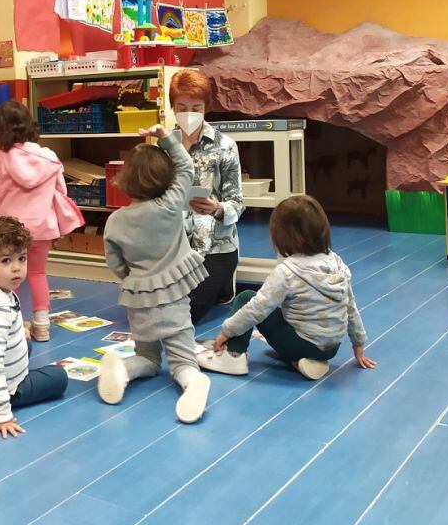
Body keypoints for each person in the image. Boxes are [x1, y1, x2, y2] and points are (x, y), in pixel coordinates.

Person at [98, 124, 212, 424]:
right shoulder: (171, 206)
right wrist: (164, 136)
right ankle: (194, 382)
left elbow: (115, 263)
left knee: (147, 358)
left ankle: (123, 371)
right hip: (174, 297)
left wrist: (133, 280)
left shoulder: (115, 221)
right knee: (182, 361)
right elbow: (186, 166)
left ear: (124, 179)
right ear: (165, 179)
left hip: (139, 300)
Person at [199, 195, 376, 381]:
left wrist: (227, 331)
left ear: (282, 236)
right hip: (331, 349)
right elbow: (351, 308)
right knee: (291, 308)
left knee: (247, 297)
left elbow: (257, 308)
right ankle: (304, 360)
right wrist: (358, 343)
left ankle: (233, 357)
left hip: (303, 343)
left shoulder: (288, 271)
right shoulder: (337, 263)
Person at [0, 217, 68, 438]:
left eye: (22, 258)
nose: (17, 268)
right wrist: (2, 414)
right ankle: (7, 395)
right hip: (1, 393)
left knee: (25, 343)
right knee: (59, 376)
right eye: (6, 261)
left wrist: (18, 329)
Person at [0, 101, 83, 341]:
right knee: (37, 273)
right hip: (42, 226)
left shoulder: (1, 157)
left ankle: (7, 323)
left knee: (6, 276)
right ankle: (41, 326)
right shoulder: (49, 156)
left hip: (8, 228)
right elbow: (61, 190)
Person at [167, 68, 245, 324]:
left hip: (214, 246)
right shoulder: (162, 145)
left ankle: (222, 285)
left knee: (188, 313)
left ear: (206, 108)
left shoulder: (225, 146)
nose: (189, 114)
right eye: (182, 107)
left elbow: (238, 203)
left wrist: (217, 208)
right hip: (171, 245)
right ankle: (215, 287)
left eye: (196, 107)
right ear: (172, 107)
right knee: (147, 305)